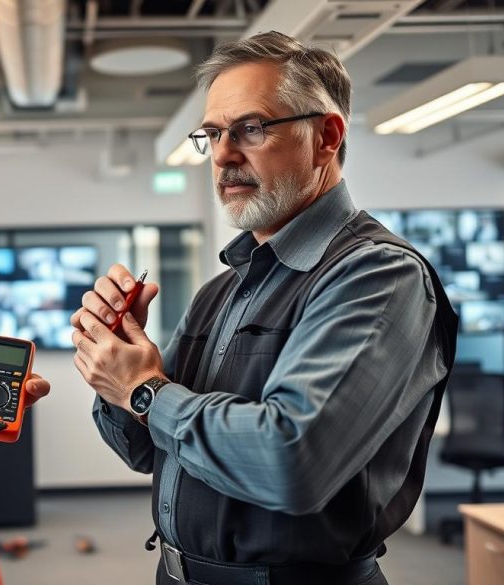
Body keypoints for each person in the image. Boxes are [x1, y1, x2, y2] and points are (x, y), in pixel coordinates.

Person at [68, 31, 458, 585]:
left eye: (250, 128)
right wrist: (116, 362)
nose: (223, 154)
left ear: (326, 137)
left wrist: (145, 390)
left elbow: (290, 463)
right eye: (212, 134)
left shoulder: (379, 277)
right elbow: (144, 447)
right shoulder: (221, 292)